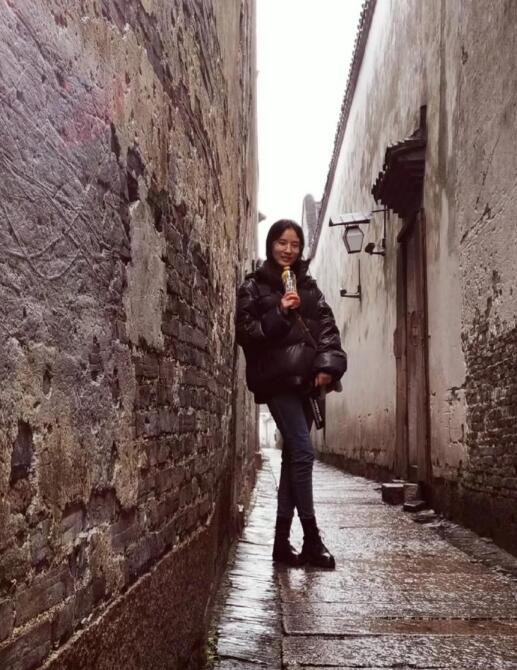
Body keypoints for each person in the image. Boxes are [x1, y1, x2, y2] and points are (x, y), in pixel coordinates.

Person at [235, 219, 347, 569]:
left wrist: (327, 366)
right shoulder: (253, 287)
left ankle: (281, 544)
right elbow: (246, 333)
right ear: (271, 245)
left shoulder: (308, 286)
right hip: (277, 381)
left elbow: (327, 328)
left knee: (292, 458)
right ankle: (311, 539)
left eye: (295, 244)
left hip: (308, 384)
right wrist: (280, 312)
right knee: (303, 451)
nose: (288, 249)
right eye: (282, 242)